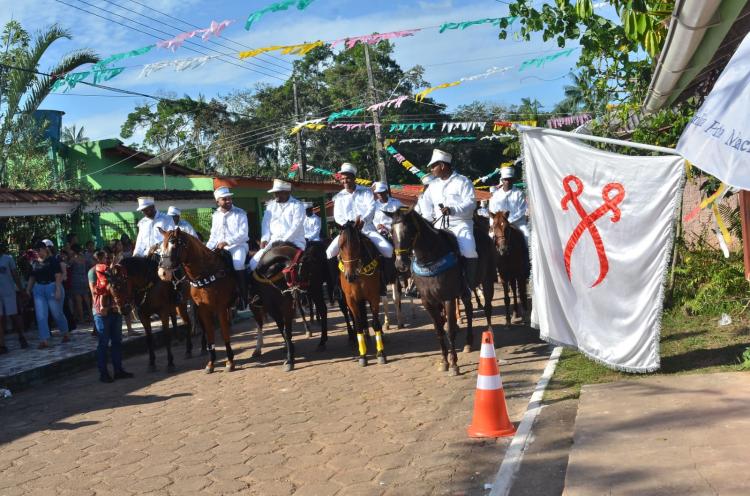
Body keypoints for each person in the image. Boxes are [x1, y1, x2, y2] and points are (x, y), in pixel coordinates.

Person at [326, 163, 393, 296]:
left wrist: (362, 220)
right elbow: (337, 215)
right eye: (343, 178)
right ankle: (337, 286)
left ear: (354, 178)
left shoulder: (366, 191)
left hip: (366, 229)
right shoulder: (339, 196)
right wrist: (347, 225)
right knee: (329, 252)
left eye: (348, 178)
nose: (345, 181)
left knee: (388, 250)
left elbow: (371, 208)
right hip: (347, 231)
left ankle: (383, 281)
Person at [420, 149, 479, 287]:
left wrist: (452, 210)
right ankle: (419, 285)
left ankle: (469, 286)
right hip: (438, 225)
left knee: (469, 250)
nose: (431, 169)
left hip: (460, 223)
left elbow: (471, 204)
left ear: (442, 165)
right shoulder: (433, 185)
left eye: (433, 166)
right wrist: (427, 220)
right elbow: (425, 203)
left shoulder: (463, 181)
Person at [88, 250, 133, 383]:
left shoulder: (114, 271)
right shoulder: (93, 272)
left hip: (114, 309)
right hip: (102, 312)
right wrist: (101, 306)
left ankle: (118, 370)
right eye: (105, 258)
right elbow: (93, 292)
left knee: (117, 341)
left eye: (109, 258)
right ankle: (103, 373)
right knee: (103, 343)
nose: (107, 260)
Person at [206, 186, 250, 307]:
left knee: (238, 264)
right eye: (224, 199)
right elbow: (214, 236)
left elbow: (243, 234)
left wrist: (226, 242)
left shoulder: (240, 212)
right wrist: (207, 249)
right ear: (218, 201)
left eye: (229, 198)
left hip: (239, 246)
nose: (228, 201)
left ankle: (244, 297)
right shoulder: (215, 215)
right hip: (221, 248)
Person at [249, 179, 306, 271]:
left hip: (295, 241)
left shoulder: (297, 205)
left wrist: (283, 242)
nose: (275, 195)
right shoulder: (270, 206)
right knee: (253, 264)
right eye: (275, 193)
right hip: (273, 242)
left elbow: (296, 226)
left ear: (287, 192)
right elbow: (265, 224)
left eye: (278, 193)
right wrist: (264, 239)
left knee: (300, 267)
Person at [26, 240, 70, 349]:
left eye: (39, 250)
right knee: (41, 315)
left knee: (57, 313)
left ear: (45, 249)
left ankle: (65, 333)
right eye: (36, 251)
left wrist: (58, 289)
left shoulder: (53, 261)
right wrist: (28, 290)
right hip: (39, 288)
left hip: (52, 286)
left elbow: (58, 275)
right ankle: (44, 340)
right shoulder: (34, 263)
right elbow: (32, 277)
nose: (38, 252)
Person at [489, 164, 529, 246]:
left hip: (517, 223)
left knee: (527, 235)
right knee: (490, 236)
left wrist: (508, 221)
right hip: (499, 224)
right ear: (502, 180)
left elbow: (521, 211)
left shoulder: (519, 193)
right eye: (505, 179)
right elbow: (492, 212)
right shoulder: (496, 195)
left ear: (513, 180)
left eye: (510, 179)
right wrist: (492, 225)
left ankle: (528, 258)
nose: (507, 181)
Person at [0, 242, 28, 353]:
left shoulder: (8, 259)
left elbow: (15, 274)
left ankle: (21, 336)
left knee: (14, 316)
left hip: (9, 292)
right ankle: (2, 345)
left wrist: (21, 290)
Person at [68, 244, 92, 324]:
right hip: (85, 279)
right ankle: (91, 315)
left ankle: (82, 318)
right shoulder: (84, 258)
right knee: (87, 299)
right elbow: (90, 264)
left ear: (73, 250)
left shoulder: (73, 259)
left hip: (76, 280)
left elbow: (67, 265)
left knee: (79, 300)